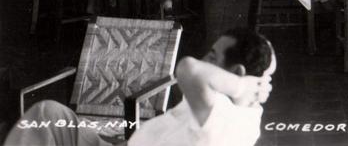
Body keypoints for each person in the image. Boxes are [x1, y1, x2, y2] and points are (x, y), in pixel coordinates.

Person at [4, 29, 276, 146]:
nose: (205, 59)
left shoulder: (223, 114)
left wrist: (241, 86)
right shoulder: (240, 107)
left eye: (213, 57)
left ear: (236, 75)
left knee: (43, 119)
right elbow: (267, 56)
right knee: (48, 114)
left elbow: (188, 69)